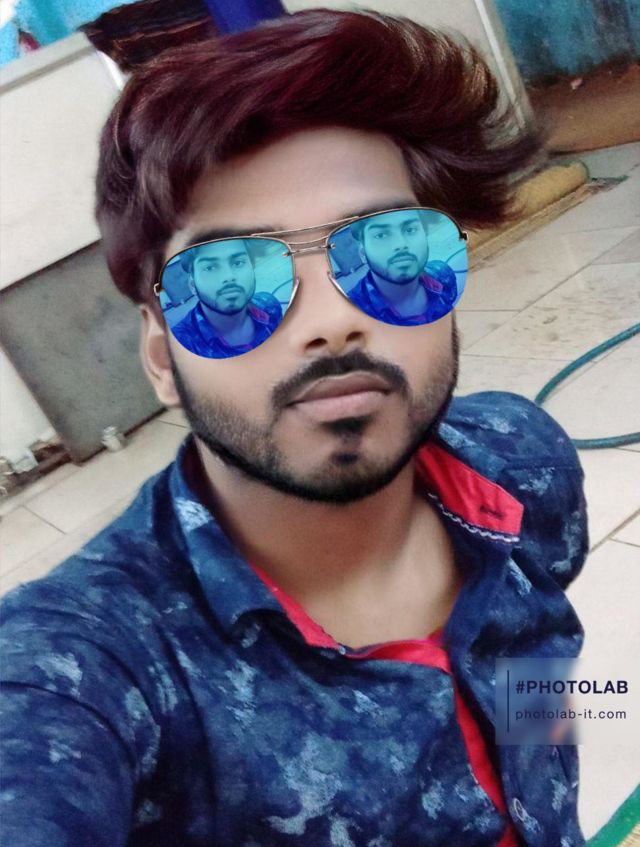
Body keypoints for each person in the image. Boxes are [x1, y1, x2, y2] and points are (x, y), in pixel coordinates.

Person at [0, 10, 589, 847]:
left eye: (391, 249)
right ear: (161, 357)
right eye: (231, 282)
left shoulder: (526, 470)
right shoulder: (91, 664)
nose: (332, 320)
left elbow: (540, 689)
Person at [171, 238, 283, 357]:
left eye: (238, 263)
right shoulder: (177, 345)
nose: (229, 276)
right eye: (210, 268)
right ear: (192, 285)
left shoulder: (270, 306)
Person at [348, 208, 459, 324]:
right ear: (363, 253)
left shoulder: (443, 275)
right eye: (381, 235)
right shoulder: (351, 311)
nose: (401, 244)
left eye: (410, 230)